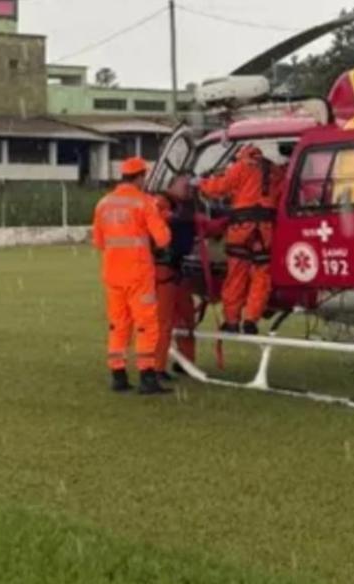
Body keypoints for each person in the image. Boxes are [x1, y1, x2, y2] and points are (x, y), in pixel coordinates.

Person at [92, 156, 172, 395]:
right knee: (146, 324)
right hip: (138, 274)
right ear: (140, 177)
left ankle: (118, 375)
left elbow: (99, 242)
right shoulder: (144, 202)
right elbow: (163, 239)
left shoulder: (103, 204)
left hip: (113, 274)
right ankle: (147, 377)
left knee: (118, 325)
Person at [196, 144, 282, 334]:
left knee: (236, 275)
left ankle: (232, 321)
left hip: (241, 229)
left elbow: (219, 187)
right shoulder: (275, 172)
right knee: (261, 275)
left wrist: (201, 183)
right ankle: (251, 318)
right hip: (265, 230)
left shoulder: (242, 167)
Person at [153, 175, 198, 375]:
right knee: (163, 323)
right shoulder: (160, 204)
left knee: (187, 319)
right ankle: (156, 368)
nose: (188, 187)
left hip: (178, 272)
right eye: (184, 184)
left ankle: (186, 363)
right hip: (163, 271)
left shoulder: (186, 208)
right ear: (170, 185)